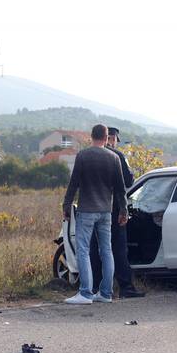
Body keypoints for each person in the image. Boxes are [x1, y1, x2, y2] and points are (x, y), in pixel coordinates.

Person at [63, 124, 128, 304]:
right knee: (106, 250)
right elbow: (121, 189)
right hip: (106, 211)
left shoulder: (83, 156)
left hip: (87, 210)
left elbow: (74, 183)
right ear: (107, 138)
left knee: (83, 250)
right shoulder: (114, 158)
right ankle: (106, 293)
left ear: (91, 136)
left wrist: (66, 205)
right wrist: (124, 210)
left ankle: (85, 293)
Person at [90, 127, 145, 298]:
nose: (114, 142)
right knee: (119, 249)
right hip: (113, 209)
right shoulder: (118, 157)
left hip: (91, 208)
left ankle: (95, 288)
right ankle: (125, 287)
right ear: (110, 138)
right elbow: (127, 182)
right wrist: (123, 210)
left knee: (95, 249)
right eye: (114, 139)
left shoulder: (87, 155)